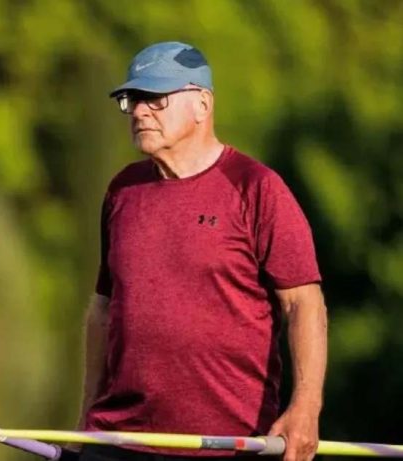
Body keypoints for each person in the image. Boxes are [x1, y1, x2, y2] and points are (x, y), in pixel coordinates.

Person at [72, 41, 328, 461]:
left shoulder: (256, 188)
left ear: (201, 104)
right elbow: (103, 308)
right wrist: (86, 417)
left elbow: (304, 303)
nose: (138, 112)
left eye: (154, 99)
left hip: (228, 443)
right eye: (131, 100)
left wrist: (305, 408)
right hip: (117, 438)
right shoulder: (123, 190)